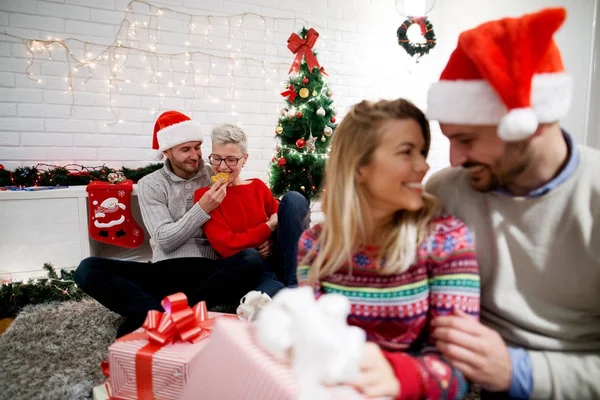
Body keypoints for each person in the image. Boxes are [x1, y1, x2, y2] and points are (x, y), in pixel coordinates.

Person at [424, 7, 600, 399]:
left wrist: (521, 372)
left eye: (466, 139)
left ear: (529, 122)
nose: (454, 159)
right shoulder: (446, 191)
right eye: (450, 139)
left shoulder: (594, 198)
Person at [297, 99, 481, 399]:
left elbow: (458, 371)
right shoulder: (315, 245)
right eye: (407, 152)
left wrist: (400, 376)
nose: (424, 166)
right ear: (359, 167)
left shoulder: (447, 239)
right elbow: (314, 341)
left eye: (422, 152)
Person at [75, 111, 264, 337]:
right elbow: (164, 239)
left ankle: (154, 316)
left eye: (197, 147)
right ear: (167, 151)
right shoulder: (151, 184)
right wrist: (202, 208)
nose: (195, 155)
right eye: (185, 149)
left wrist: (266, 236)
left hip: (208, 271)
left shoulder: (214, 171)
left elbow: (248, 206)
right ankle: (166, 315)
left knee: (250, 259)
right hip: (164, 271)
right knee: (87, 269)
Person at [194, 124, 310, 296]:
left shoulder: (257, 186)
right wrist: (267, 228)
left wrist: (271, 236)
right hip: (253, 269)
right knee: (264, 299)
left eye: (231, 159)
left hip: (281, 257)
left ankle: (296, 285)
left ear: (245, 159)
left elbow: (284, 218)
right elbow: (227, 246)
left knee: (294, 198)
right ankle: (286, 289)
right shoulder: (205, 197)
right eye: (217, 158)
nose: (222, 166)